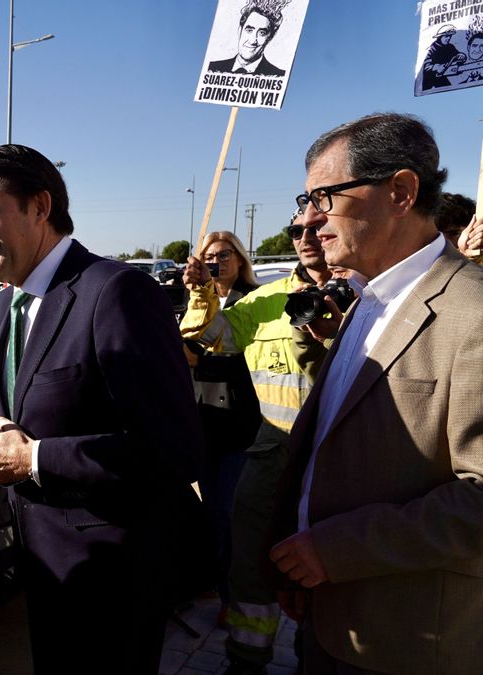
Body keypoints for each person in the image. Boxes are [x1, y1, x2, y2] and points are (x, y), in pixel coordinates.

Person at [0, 144, 207, 674]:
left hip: (116, 573)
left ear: (40, 207)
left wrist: (35, 459)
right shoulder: (4, 304)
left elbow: (173, 450)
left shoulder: (117, 293)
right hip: (43, 563)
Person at [268, 112, 483, 674]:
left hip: (407, 639)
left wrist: (336, 551)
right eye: (305, 198)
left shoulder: (474, 313)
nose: (309, 220)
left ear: (401, 192)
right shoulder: (363, 299)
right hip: (328, 614)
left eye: (325, 197)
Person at [181, 213, 333, 675]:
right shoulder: (268, 299)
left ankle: (319, 654)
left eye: (316, 226)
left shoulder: (376, 299)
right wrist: (200, 292)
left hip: (339, 460)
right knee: (250, 563)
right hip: (270, 457)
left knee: (329, 568)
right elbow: (204, 341)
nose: (307, 238)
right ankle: (247, 657)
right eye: (296, 231)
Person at [180, 231, 261, 626]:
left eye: (225, 255)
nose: (217, 262)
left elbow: (249, 361)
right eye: (209, 256)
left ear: (240, 259)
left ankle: (234, 595)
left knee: (229, 515)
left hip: (239, 426)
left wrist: (202, 364)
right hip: (204, 423)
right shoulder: (198, 302)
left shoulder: (253, 301)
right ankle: (210, 578)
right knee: (209, 512)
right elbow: (188, 343)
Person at [207, 1, 288, 77]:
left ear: (270, 38)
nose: (253, 41)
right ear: (240, 31)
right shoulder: (212, 68)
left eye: (262, 33)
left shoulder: (278, 76)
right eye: (249, 30)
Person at [422, 24, 461, 90]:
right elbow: (426, 65)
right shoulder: (432, 48)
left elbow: (457, 54)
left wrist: (461, 55)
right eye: (446, 36)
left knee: (449, 88)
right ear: (440, 37)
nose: (448, 38)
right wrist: (436, 67)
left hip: (443, 74)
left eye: (450, 36)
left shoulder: (450, 47)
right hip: (430, 77)